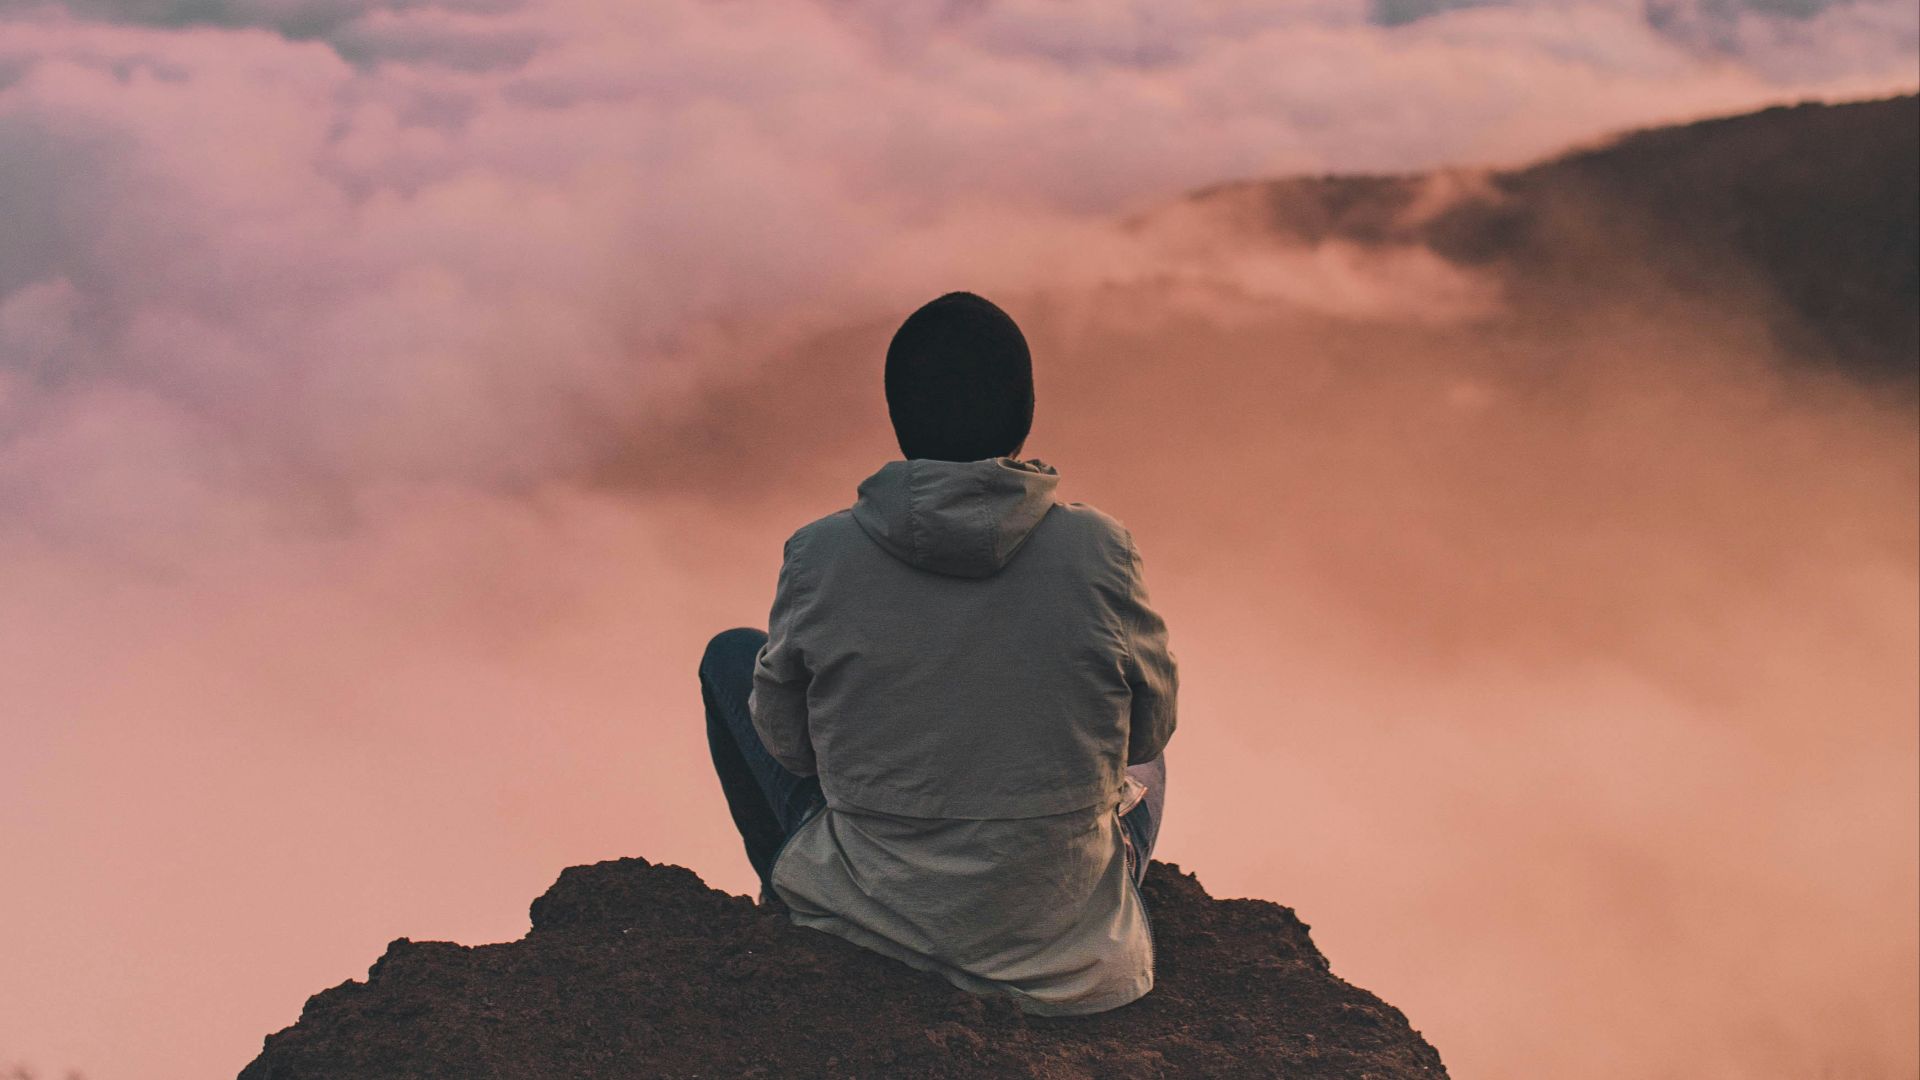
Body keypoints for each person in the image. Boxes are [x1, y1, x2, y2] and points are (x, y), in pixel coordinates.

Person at [698, 290, 1177, 1016]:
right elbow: (1146, 733)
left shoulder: (820, 553)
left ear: (900, 421)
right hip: (1065, 945)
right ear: (1023, 418)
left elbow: (790, 750)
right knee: (1148, 763)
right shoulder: (1099, 549)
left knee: (731, 657)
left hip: (872, 908)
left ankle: (791, 899)